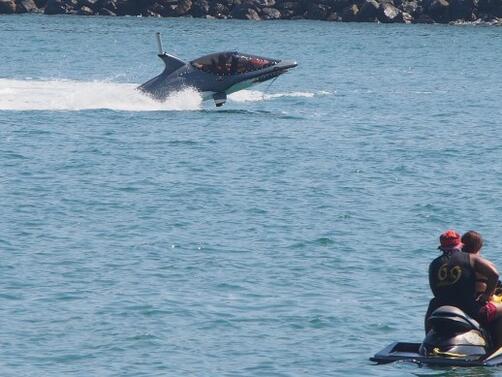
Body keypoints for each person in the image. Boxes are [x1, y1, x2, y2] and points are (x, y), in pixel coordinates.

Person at [425, 230, 502, 347]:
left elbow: (435, 290)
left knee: (432, 303)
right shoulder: (470, 258)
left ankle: (427, 341)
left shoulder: (434, 264)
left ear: (441, 246)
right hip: (471, 310)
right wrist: (487, 295)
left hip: (437, 310)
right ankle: (497, 347)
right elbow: (494, 274)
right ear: (460, 245)